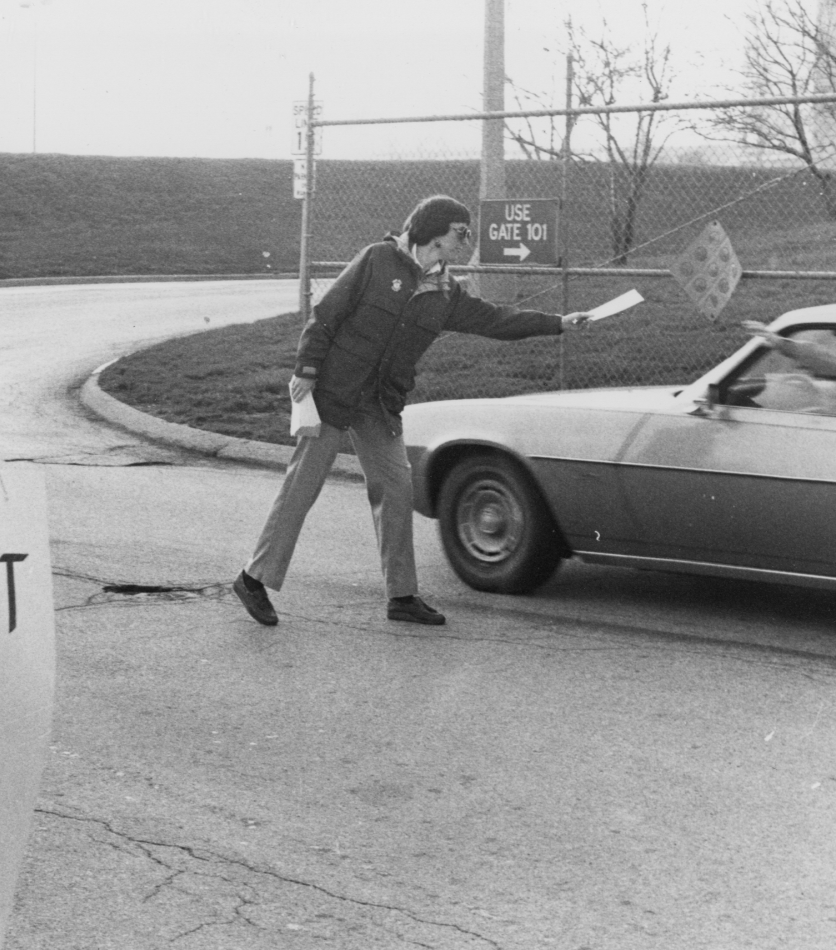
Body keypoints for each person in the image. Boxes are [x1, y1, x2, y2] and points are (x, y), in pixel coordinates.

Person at [232, 194, 593, 628]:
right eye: (460, 232)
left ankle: (401, 596)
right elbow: (326, 315)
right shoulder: (376, 261)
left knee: (397, 488)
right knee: (302, 486)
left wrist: (557, 322)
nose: (465, 240)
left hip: (380, 403)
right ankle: (254, 579)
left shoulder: (445, 291)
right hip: (333, 391)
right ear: (434, 231)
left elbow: (495, 320)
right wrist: (306, 371)